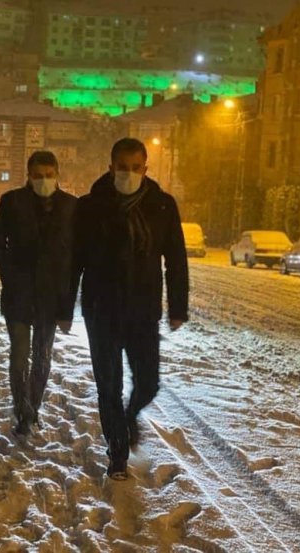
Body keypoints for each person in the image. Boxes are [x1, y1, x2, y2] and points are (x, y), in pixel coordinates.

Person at [72, 137, 189, 480]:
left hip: (142, 309)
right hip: (101, 309)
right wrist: (65, 307)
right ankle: (117, 455)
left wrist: (178, 307)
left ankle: (128, 418)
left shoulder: (162, 206)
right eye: (122, 167)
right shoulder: (90, 206)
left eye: (135, 168)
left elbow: (176, 260)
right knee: (108, 384)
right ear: (110, 168)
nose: (129, 173)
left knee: (148, 383)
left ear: (146, 168)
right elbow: (74, 260)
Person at [0, 151, 77, 436]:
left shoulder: (70, 207)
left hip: (51, 297)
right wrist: (9, 274)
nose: (44, 180)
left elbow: (75, 256)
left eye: (49, 175)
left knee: (42, 357)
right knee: (19, 356)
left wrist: (66, 300)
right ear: (28, 175)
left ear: (57, 174)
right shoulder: (12, 201)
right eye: (38, 175)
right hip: (18, 294)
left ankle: (32, 409)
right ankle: (21, 408)